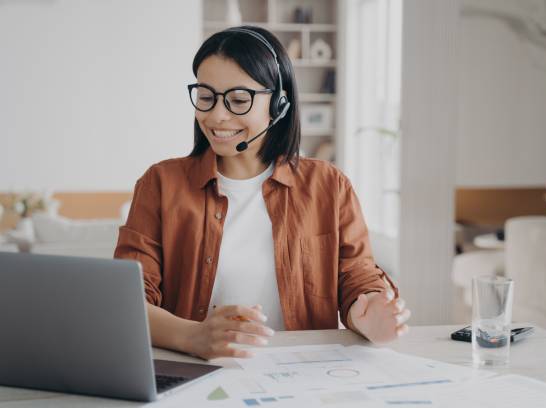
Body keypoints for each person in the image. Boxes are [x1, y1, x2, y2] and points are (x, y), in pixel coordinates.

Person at [114, 26, 410, 360]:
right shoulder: (160, 184)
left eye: (238, 100)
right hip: (194, 375)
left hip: (302, 377)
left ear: (279, 104)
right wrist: (194, 337)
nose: (217, 116)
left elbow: (356, 277)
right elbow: (127, 300)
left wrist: (365, 311)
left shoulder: (329, 186)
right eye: (206, 97)